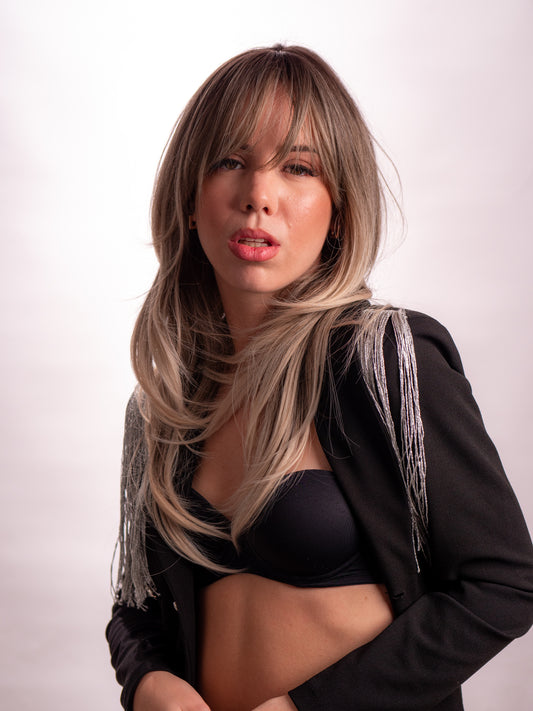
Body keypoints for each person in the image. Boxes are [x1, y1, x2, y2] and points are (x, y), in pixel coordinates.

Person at [106, 45, 533, 711]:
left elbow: (503, 584)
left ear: (339, 210)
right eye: (229, 161)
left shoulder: (388, 359)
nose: (258, 196)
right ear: (189, 199)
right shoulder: (164, 410)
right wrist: (149, 682)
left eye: (298, 167)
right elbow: (138, 604)